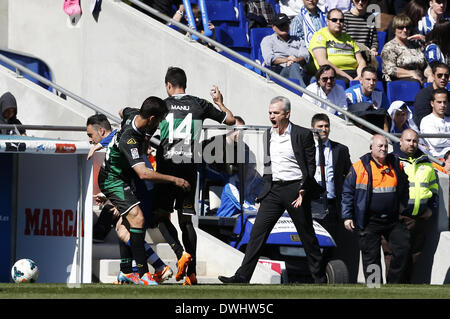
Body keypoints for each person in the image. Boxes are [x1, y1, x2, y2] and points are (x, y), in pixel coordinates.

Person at [218, 96, 327, 284]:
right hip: (274, 190)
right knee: (257, 233)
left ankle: (319, 280)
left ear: (287, 114)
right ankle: (242, 276)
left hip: (296, 190)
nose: (271, 116)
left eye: (276, 113)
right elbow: (268, 168)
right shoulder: (267, 134)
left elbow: (310, 167)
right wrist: (261, 196)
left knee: (307, 235)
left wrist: (303, 190)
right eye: (270, 112)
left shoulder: (302, 134)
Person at [154, 66, 236, 285]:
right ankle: (191, 274)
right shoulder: (200, 104)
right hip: (189, 168)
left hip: (166, 168)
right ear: (185, 85)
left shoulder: (162, 105)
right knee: (186, 221)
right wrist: (219, 101)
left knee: (159, 216)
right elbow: (230, 120)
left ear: (168, 85)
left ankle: (180, 254)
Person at [98, 96, 190, 286]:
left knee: (124, 227)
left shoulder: (133, 114)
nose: (158, 126)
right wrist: (175, 180)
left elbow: (122, 110)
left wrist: (145, 139)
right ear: (152, 119)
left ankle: (130, 272)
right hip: (112, 179)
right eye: (159, 121)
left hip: (123, 177)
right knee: (138, 218)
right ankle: (142, 274)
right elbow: (144, 173)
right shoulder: (129, 139)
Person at [341, 134, 410, 283]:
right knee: (371, 257)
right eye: (380, 146)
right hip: (369, 221)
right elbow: (347, 192)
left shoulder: (396, 163)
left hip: (393, 219)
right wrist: (347, 216)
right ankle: (374, 288)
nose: (383, 149)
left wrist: (403, 207)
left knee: (403, 248)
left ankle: (394, 285)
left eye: (385, 146)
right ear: (371, 147)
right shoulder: (359, 167)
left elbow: (405, 186)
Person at [387, 129, 439, 282]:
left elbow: (434, 190)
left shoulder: (426, 162)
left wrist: (431, 209)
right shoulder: (392, 160)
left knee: (414, 255)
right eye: (408, 140)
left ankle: (407, 288)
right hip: (399, 217)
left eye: (415, 141)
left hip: (420, 218)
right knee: (395, 255)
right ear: (401, 141)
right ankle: (391, 289)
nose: (412, 144)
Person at [310, 113, 352, 261]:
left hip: (331, 203)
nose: (324, 129)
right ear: (313, 129)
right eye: (320, 126)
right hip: (311, 202)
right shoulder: (305, 148)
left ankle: (325, 273)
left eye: (326, 126)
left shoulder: (340, 150)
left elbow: (350, 175)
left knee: (329, 241)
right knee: (310, 240)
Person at [308, 8, 367, 84]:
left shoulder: (348, 38)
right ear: (327, 21)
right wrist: (347, 77)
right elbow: (322, 62)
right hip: (332, 74)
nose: (338, 22)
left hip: (354, 74)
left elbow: (361, 61)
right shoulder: (320, 36)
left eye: (341, 20)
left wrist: (359, 76)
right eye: (334, 20)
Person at [260, 13, 310, 88]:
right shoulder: (268, 40)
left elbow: (306, 55)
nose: (284, 27)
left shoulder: (298, 40)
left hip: (300, 71)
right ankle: (304, 93)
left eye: (286, 24)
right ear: (273, 27)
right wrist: (287, 60)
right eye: (280, 25)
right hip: (279, 73)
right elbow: (269, 59)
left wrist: (295, 60)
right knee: (293, 66)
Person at [381, 14, 432, 85]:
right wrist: (411, 73)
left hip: (420, 78)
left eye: (407, 27)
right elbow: (390, 70)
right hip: (400, 82)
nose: (405, 30)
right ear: (394, 30)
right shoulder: (389, 47)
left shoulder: (415, 44)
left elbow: (425, 65)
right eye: (400, 27)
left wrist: (430, 75)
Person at [413, 62, 450, 129]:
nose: (443, 78)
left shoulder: (449, 95)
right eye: (439, 75)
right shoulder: (423, 95)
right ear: (433, 76)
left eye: (446, 76)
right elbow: (421, 121)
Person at [420, 88, 450, 157]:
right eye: (439, 102)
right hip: (437, 158)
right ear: (432, 103)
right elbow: (436, 142)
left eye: (445, 102)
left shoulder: (449, 119)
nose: (442, 105)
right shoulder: (427, 120)